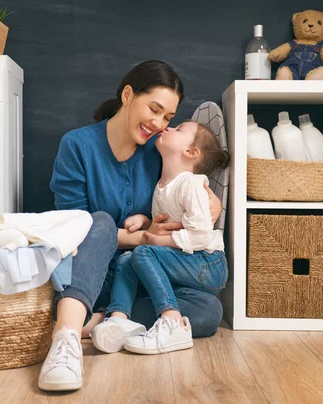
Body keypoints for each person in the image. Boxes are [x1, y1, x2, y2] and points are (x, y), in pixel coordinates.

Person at [38, 60, 224, 391]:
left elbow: (188, 186)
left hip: (135, 278)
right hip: (86, 272)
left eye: (167, 118)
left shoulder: (158, 153)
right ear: (128, 95)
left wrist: (214, 201)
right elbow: (71, 226)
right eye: (154, 109)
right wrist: (143, 238)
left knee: (208, 311)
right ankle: (65, 339)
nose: (158, 124)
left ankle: (107, 320)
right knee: (99, 221)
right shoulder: (78, 145)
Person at [90, 121, 230, 355]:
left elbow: (200, 235)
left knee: (143, 252)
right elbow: (166, 224)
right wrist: (145, 221)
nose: (169, 127)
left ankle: (172, 322)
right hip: (180, 263)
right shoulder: (163, 185)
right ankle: (118, 319)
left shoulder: (192, 184)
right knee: (127, 259)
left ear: (191, 152)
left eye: (179, 129)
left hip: (207, 262)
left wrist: (156, 241)